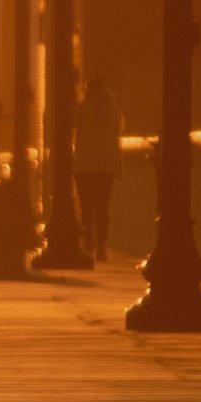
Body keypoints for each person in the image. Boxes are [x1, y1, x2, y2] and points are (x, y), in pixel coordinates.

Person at [74, 73, 125, 262]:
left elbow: (72, 127)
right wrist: (119, 167)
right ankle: (101, 247)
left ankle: (89, 241)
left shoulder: (82, 108)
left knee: (87, 208)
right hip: (105, 165)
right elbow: (115, 140)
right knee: (103, 207)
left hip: (84, 164)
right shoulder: (113, 110)